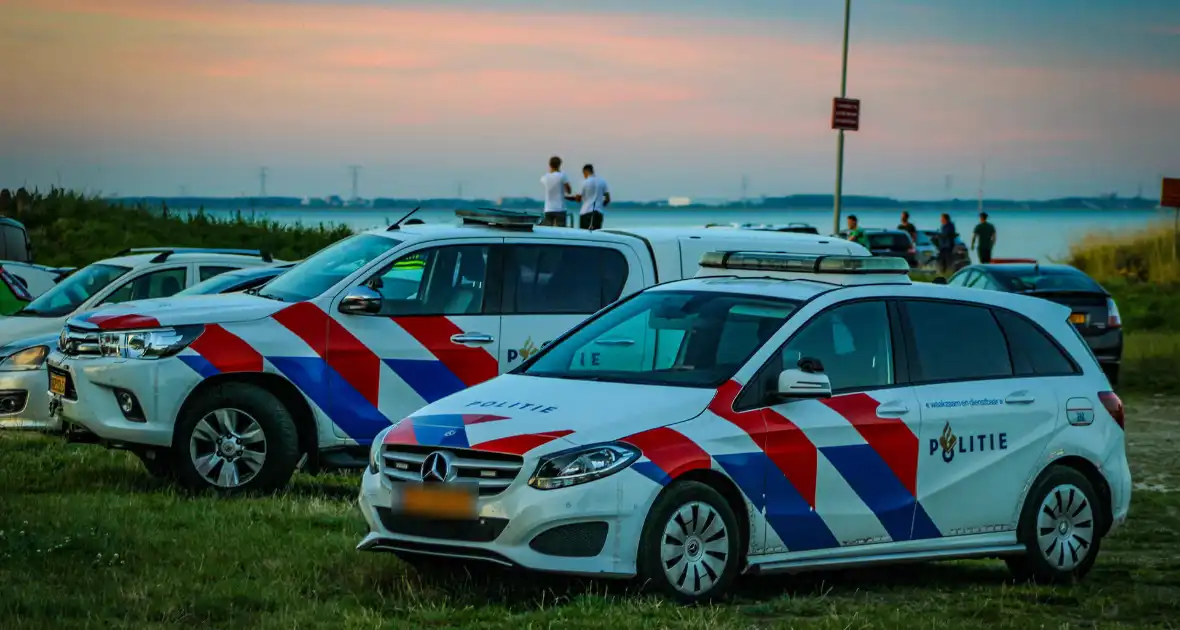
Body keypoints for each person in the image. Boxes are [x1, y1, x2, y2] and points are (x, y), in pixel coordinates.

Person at [539, 156, 572, 227]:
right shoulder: (562, 175)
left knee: (548, 231)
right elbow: (569, 191)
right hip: (560, 208)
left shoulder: (544, 177)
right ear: (559, 165)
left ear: (549, 165)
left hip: (548, 208)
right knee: (561, 232)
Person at [575, 163, 610, 230]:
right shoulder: (602, 181)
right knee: (596, 235)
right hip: (599, 213)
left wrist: (576, 198)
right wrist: (601, 204)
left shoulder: (584, 182)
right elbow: (608, 199)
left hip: (586, 212)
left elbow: (578, 199)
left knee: (585, 235)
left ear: (585, 171)